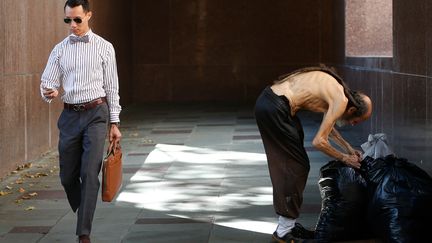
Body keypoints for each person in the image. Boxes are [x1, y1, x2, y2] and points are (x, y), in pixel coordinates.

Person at [254, 66, 372, 243]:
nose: (354, 124)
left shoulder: (338, 90)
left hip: (273, 103)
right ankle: (283, 232)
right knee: (295, 167)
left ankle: (288, 227)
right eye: (357, 121)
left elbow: (329, 129)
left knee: (294, 165)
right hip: (275, 107)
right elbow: (319, 141)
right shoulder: (340, 99)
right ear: (352, 110)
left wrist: (347, 147)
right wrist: (344, 158)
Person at [40, 0, 121, 242]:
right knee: (67, 176)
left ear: (88, 16)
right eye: (68, 20)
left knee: (89, 172)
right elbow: (47, 81)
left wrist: (114, 123)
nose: (72, 25)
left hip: (97, 114)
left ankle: (83, 232)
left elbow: (112, 87)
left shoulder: (105, 48)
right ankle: (85, 205)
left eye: (77, 19)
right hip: (69, 116)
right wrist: (49, 91)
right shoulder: (60, 49)